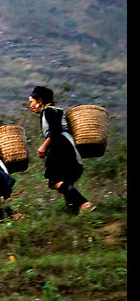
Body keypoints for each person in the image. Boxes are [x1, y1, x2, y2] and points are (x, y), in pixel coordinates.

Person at [28, 86, 96, 214]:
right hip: (68, 148)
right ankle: (73, 212)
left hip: (61, 149)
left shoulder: (48, 111)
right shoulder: (56, 111)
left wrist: (44, 146)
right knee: (66, 183)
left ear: (40, 100)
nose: (31, 106)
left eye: (31, 102)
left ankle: (84, 203)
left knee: (54, 181)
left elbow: (55, 130)